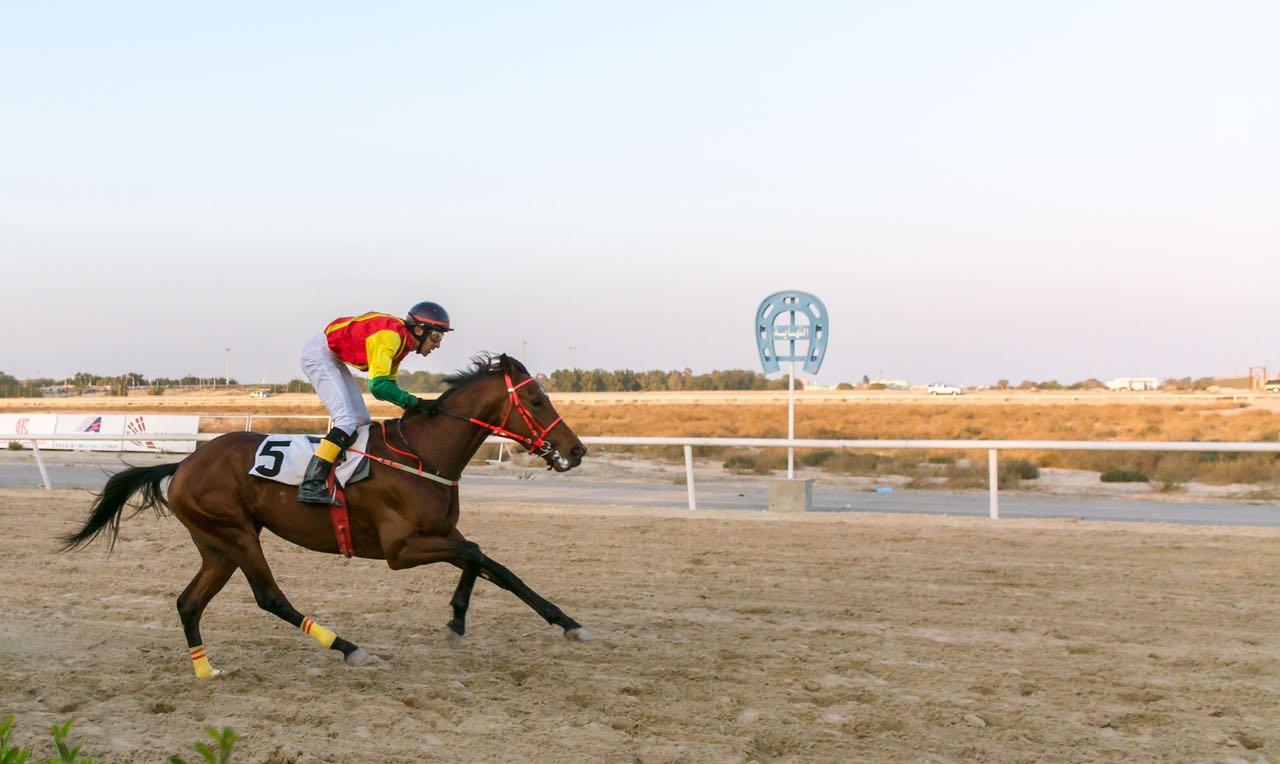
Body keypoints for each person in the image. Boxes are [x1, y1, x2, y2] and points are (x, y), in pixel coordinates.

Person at [296, 301, 452, 504]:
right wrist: (416, 403)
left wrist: (412, 405)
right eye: (437, 336)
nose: (438, 344)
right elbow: (378, 386)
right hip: (319, 355)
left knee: (361, 420)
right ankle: (311, 483)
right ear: (420, 330)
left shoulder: (402, 343)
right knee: (346, 421)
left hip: (333, 356)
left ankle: (346, 471)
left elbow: (387, 386)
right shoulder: (391, 337)